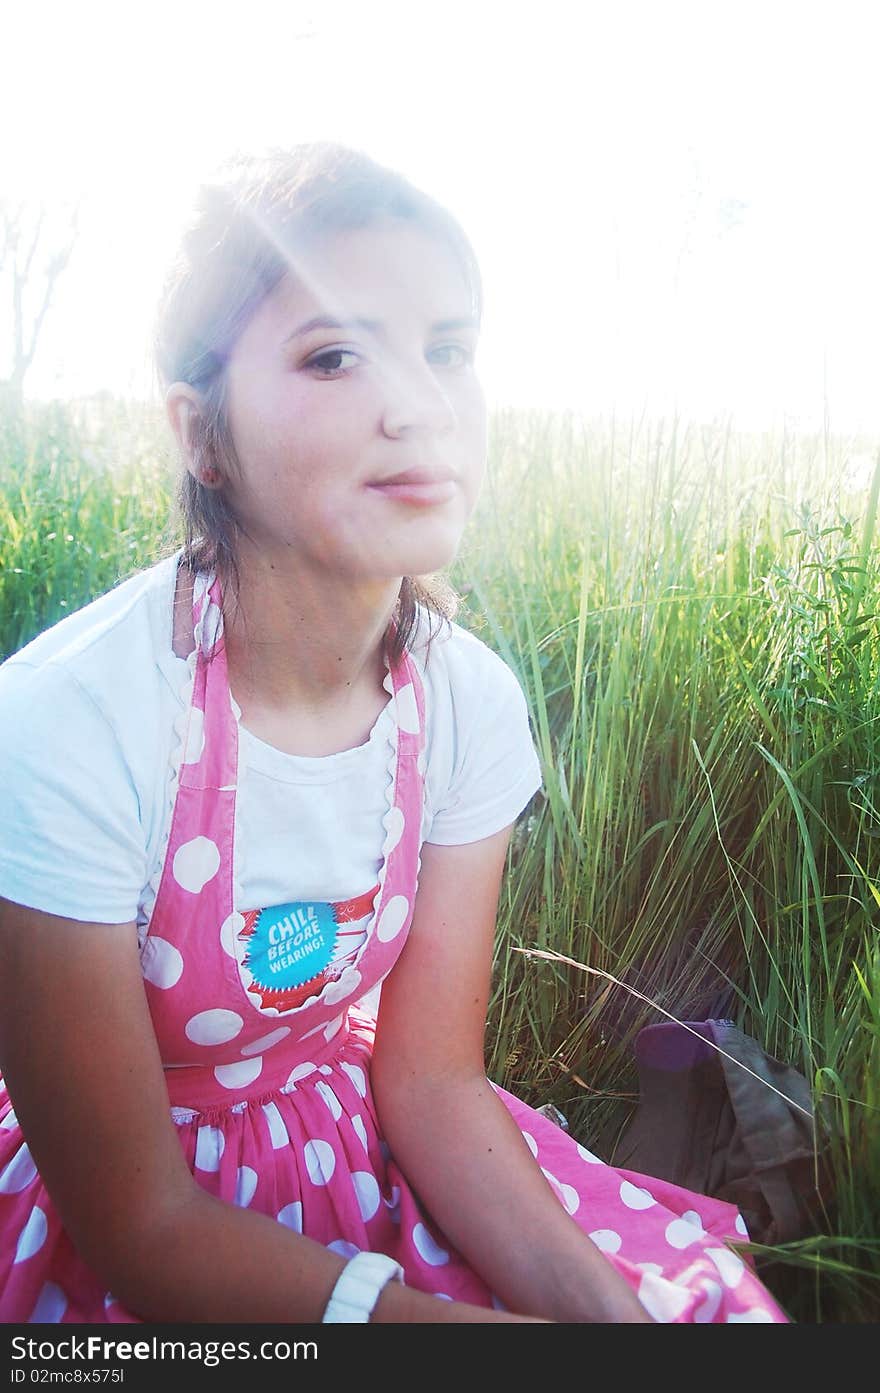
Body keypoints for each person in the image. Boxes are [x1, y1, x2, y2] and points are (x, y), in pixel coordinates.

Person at [0, 142, 789, 1325]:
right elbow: (142, 1228)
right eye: (332, 354)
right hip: (120, 1224)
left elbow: (428, 1080)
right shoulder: (69, 724)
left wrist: (603, 1320)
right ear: (201, 433)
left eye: (449, 351)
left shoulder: (464, 702)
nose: (416, 402)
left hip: (357, 1141)